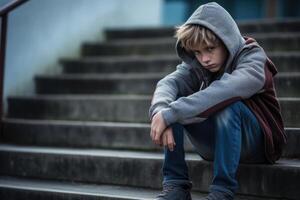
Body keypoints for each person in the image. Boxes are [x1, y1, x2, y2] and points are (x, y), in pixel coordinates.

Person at [149, 2, 287, 200]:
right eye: (197, 52)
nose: (204, 58)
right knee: (174, 103)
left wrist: (171, 113)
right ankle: (176, 186)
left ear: (226, 40)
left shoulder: (254, 58)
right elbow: (168, 84)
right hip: (217, 143)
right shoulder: (201, 64)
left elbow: (225, 90)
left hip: (260, 145)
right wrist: (161, 112)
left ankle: (222, 192)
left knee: (226, 105)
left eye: (210, 49)